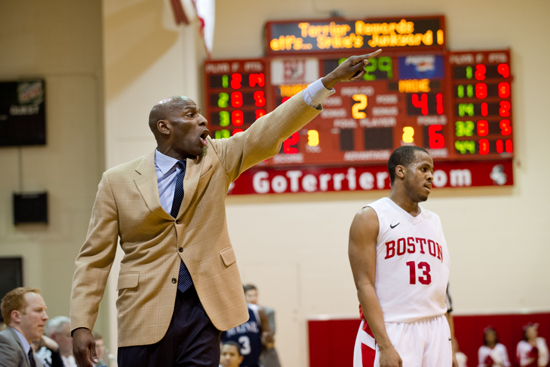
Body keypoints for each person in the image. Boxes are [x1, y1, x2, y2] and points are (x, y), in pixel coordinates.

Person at [70, 49, 383, 367]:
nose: (202, 120)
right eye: (190, 115)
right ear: (165, 127)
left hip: (204, 310)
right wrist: (82, 323)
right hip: (143, 312)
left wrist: (327, 82)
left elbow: (271, 128)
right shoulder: (117, 181)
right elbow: (94, 260)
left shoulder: (217, 158)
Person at [348, 146, 458, 367]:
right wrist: (385, 345)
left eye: (432, 171)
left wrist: (449, 345)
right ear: (400, 171)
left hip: (436, 328)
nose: (430, 176)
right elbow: (364, 285)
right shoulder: (371, 216)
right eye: (423, 169)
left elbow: (439, 291)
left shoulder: (434, 221)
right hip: (393, 327)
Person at [0, 287, 48, 367]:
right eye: (38, 310)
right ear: (16, 316)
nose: (46, 317)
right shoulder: (5, 342)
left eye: (44, 310)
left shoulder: (35, 359)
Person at [221, 298, 271, 367]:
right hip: (231, 363)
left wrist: (268, 339)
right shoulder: (222, 314)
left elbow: (269, 340)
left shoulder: (256, 311)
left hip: (254, 362)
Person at [244, 284, 281, 367]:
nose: (253, 298)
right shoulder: (242, 315)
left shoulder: (268, 311)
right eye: (250, 296)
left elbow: (270, 335)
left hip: (265, 353)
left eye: (255, 295)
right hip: (248, 354)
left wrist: (262, 318)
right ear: (244, 297)